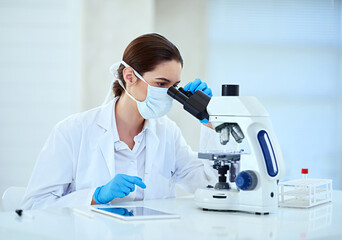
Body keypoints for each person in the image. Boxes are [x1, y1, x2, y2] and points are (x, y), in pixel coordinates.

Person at [21, 33, 217, 210]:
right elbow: (34, 205)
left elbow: (209, 184)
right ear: (130, 76)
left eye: (174, 86)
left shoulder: (168, 132)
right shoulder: (72, 131)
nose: (168, 94)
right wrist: (95, 196)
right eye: (161, 84)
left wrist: (210, 121)